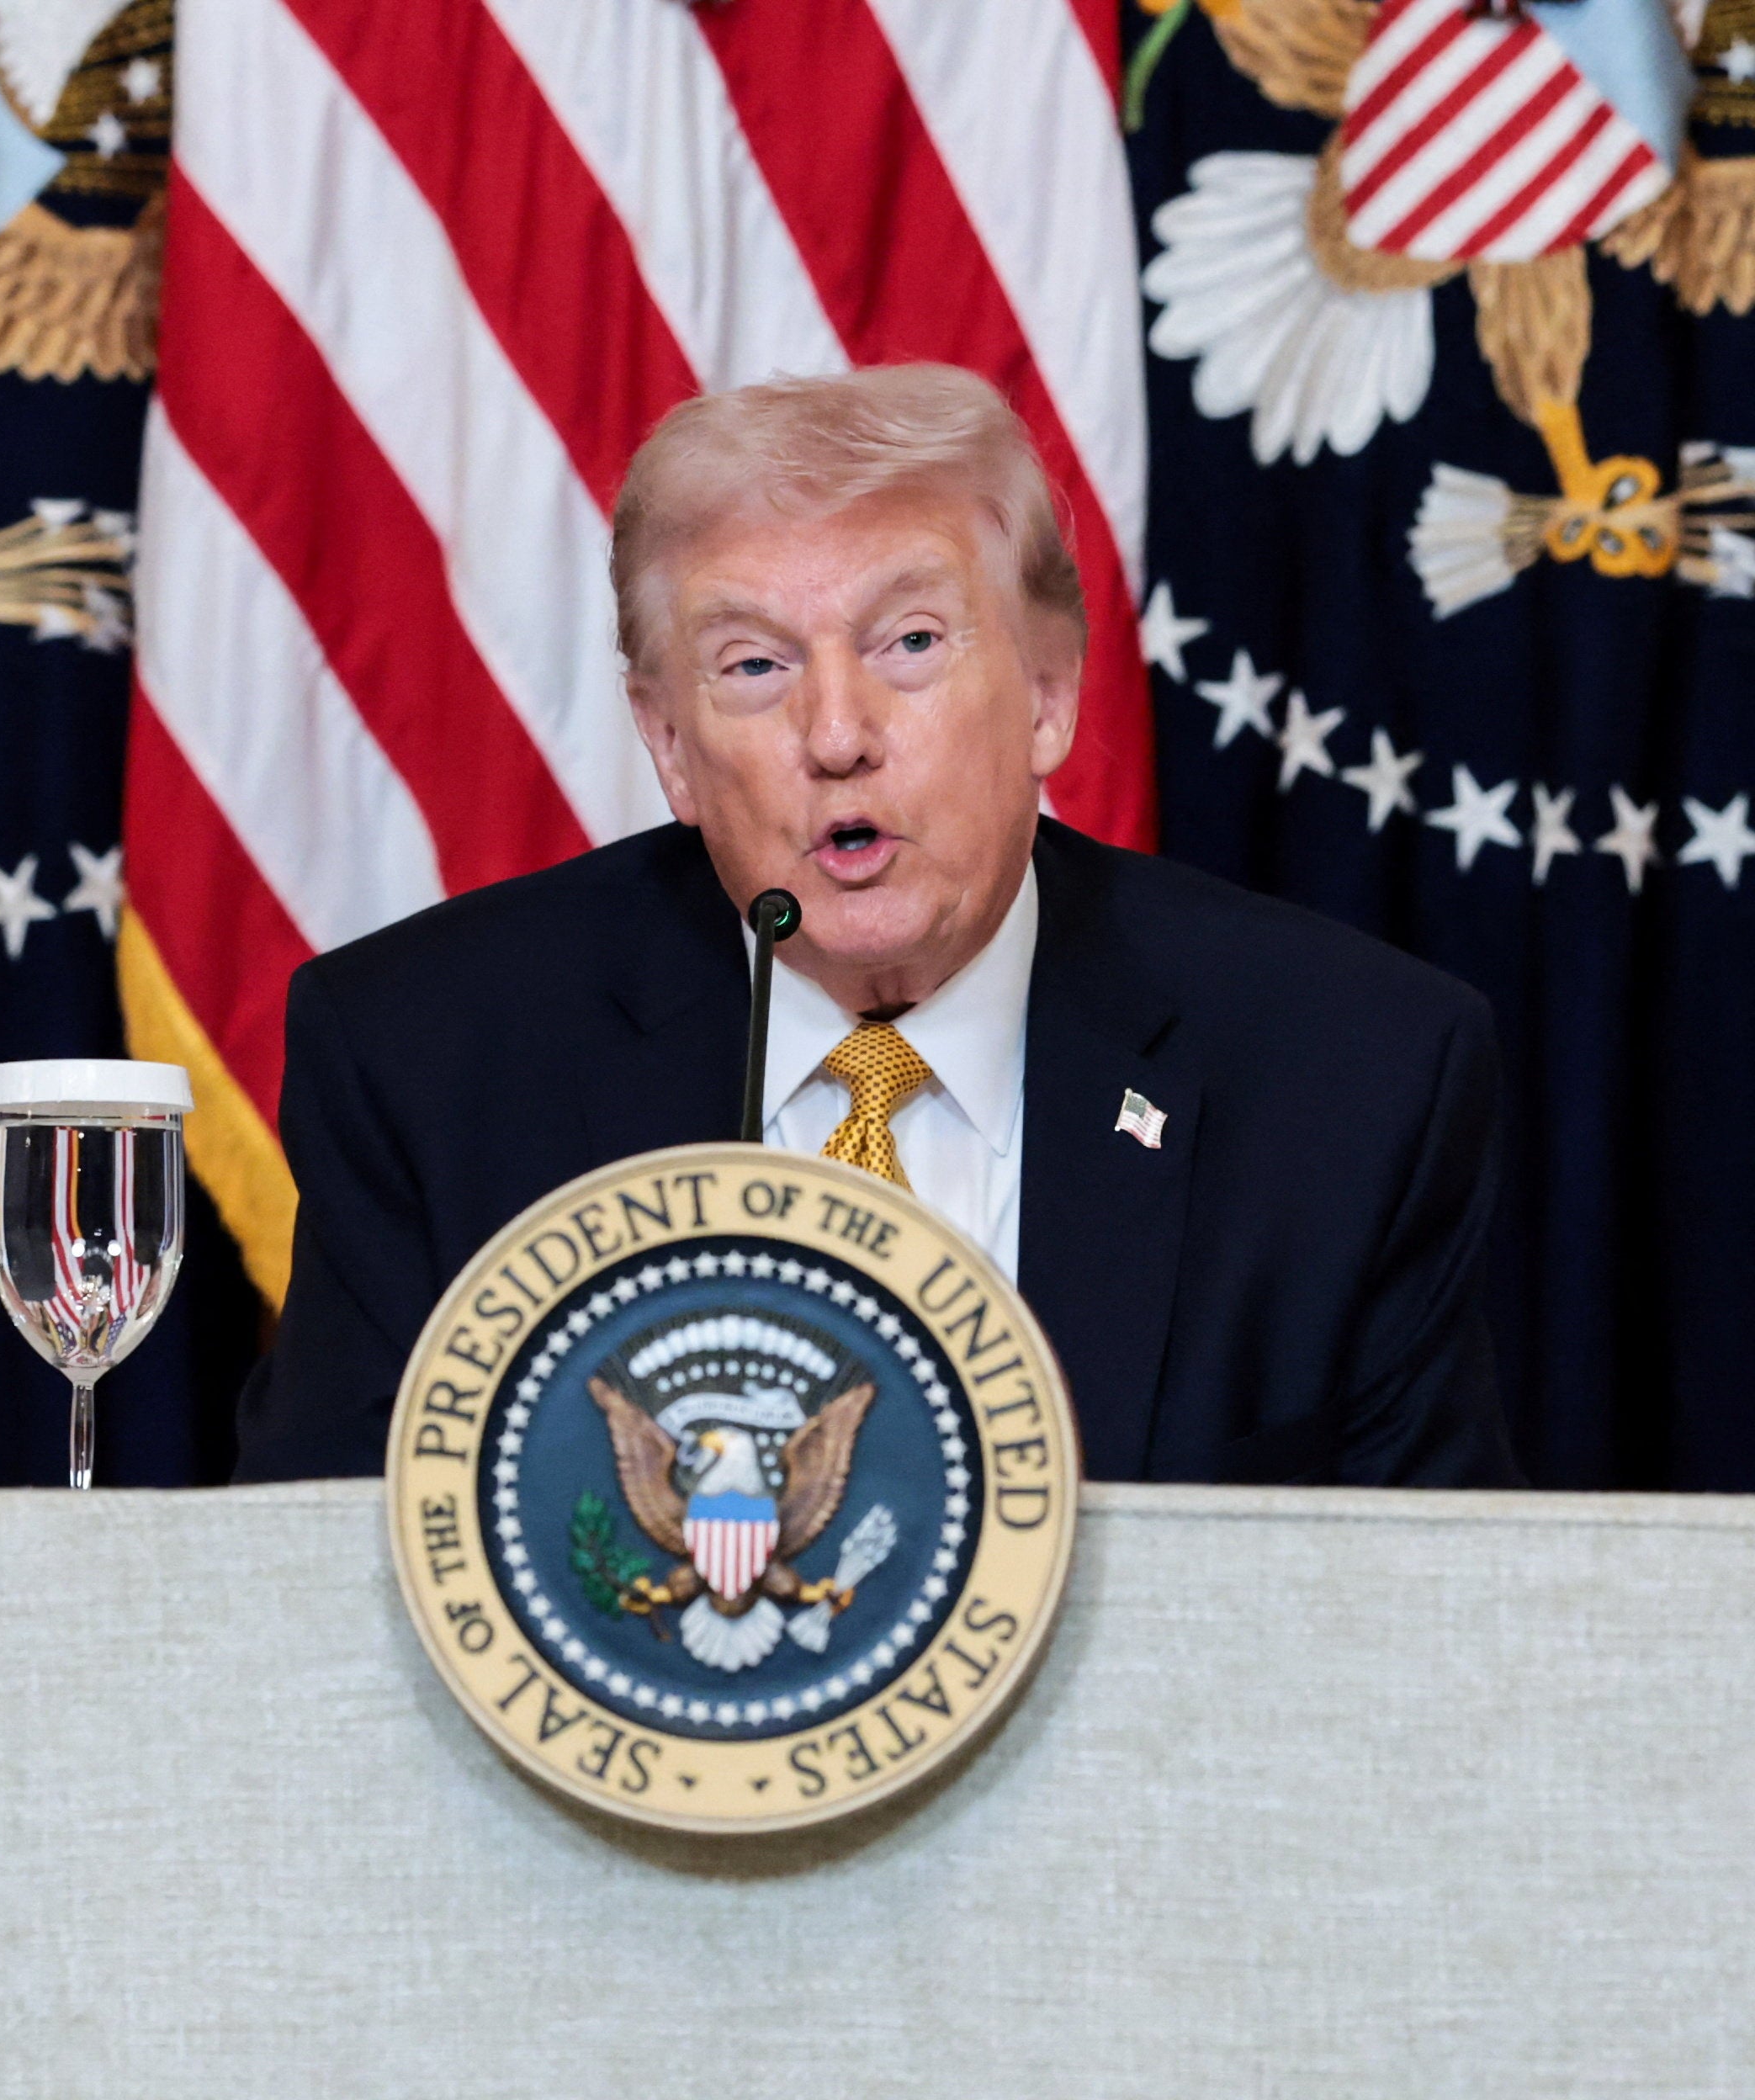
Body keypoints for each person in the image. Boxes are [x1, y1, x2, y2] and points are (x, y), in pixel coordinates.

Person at [238, 364, 1519, 1488]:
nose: (838, 735)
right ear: (670, 747)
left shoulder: (1348, 1078)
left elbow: (1420, 1638)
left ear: (1048, 696)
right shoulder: (431, 1062)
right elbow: (327, 1606)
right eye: (754, 666)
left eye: (909, 642)